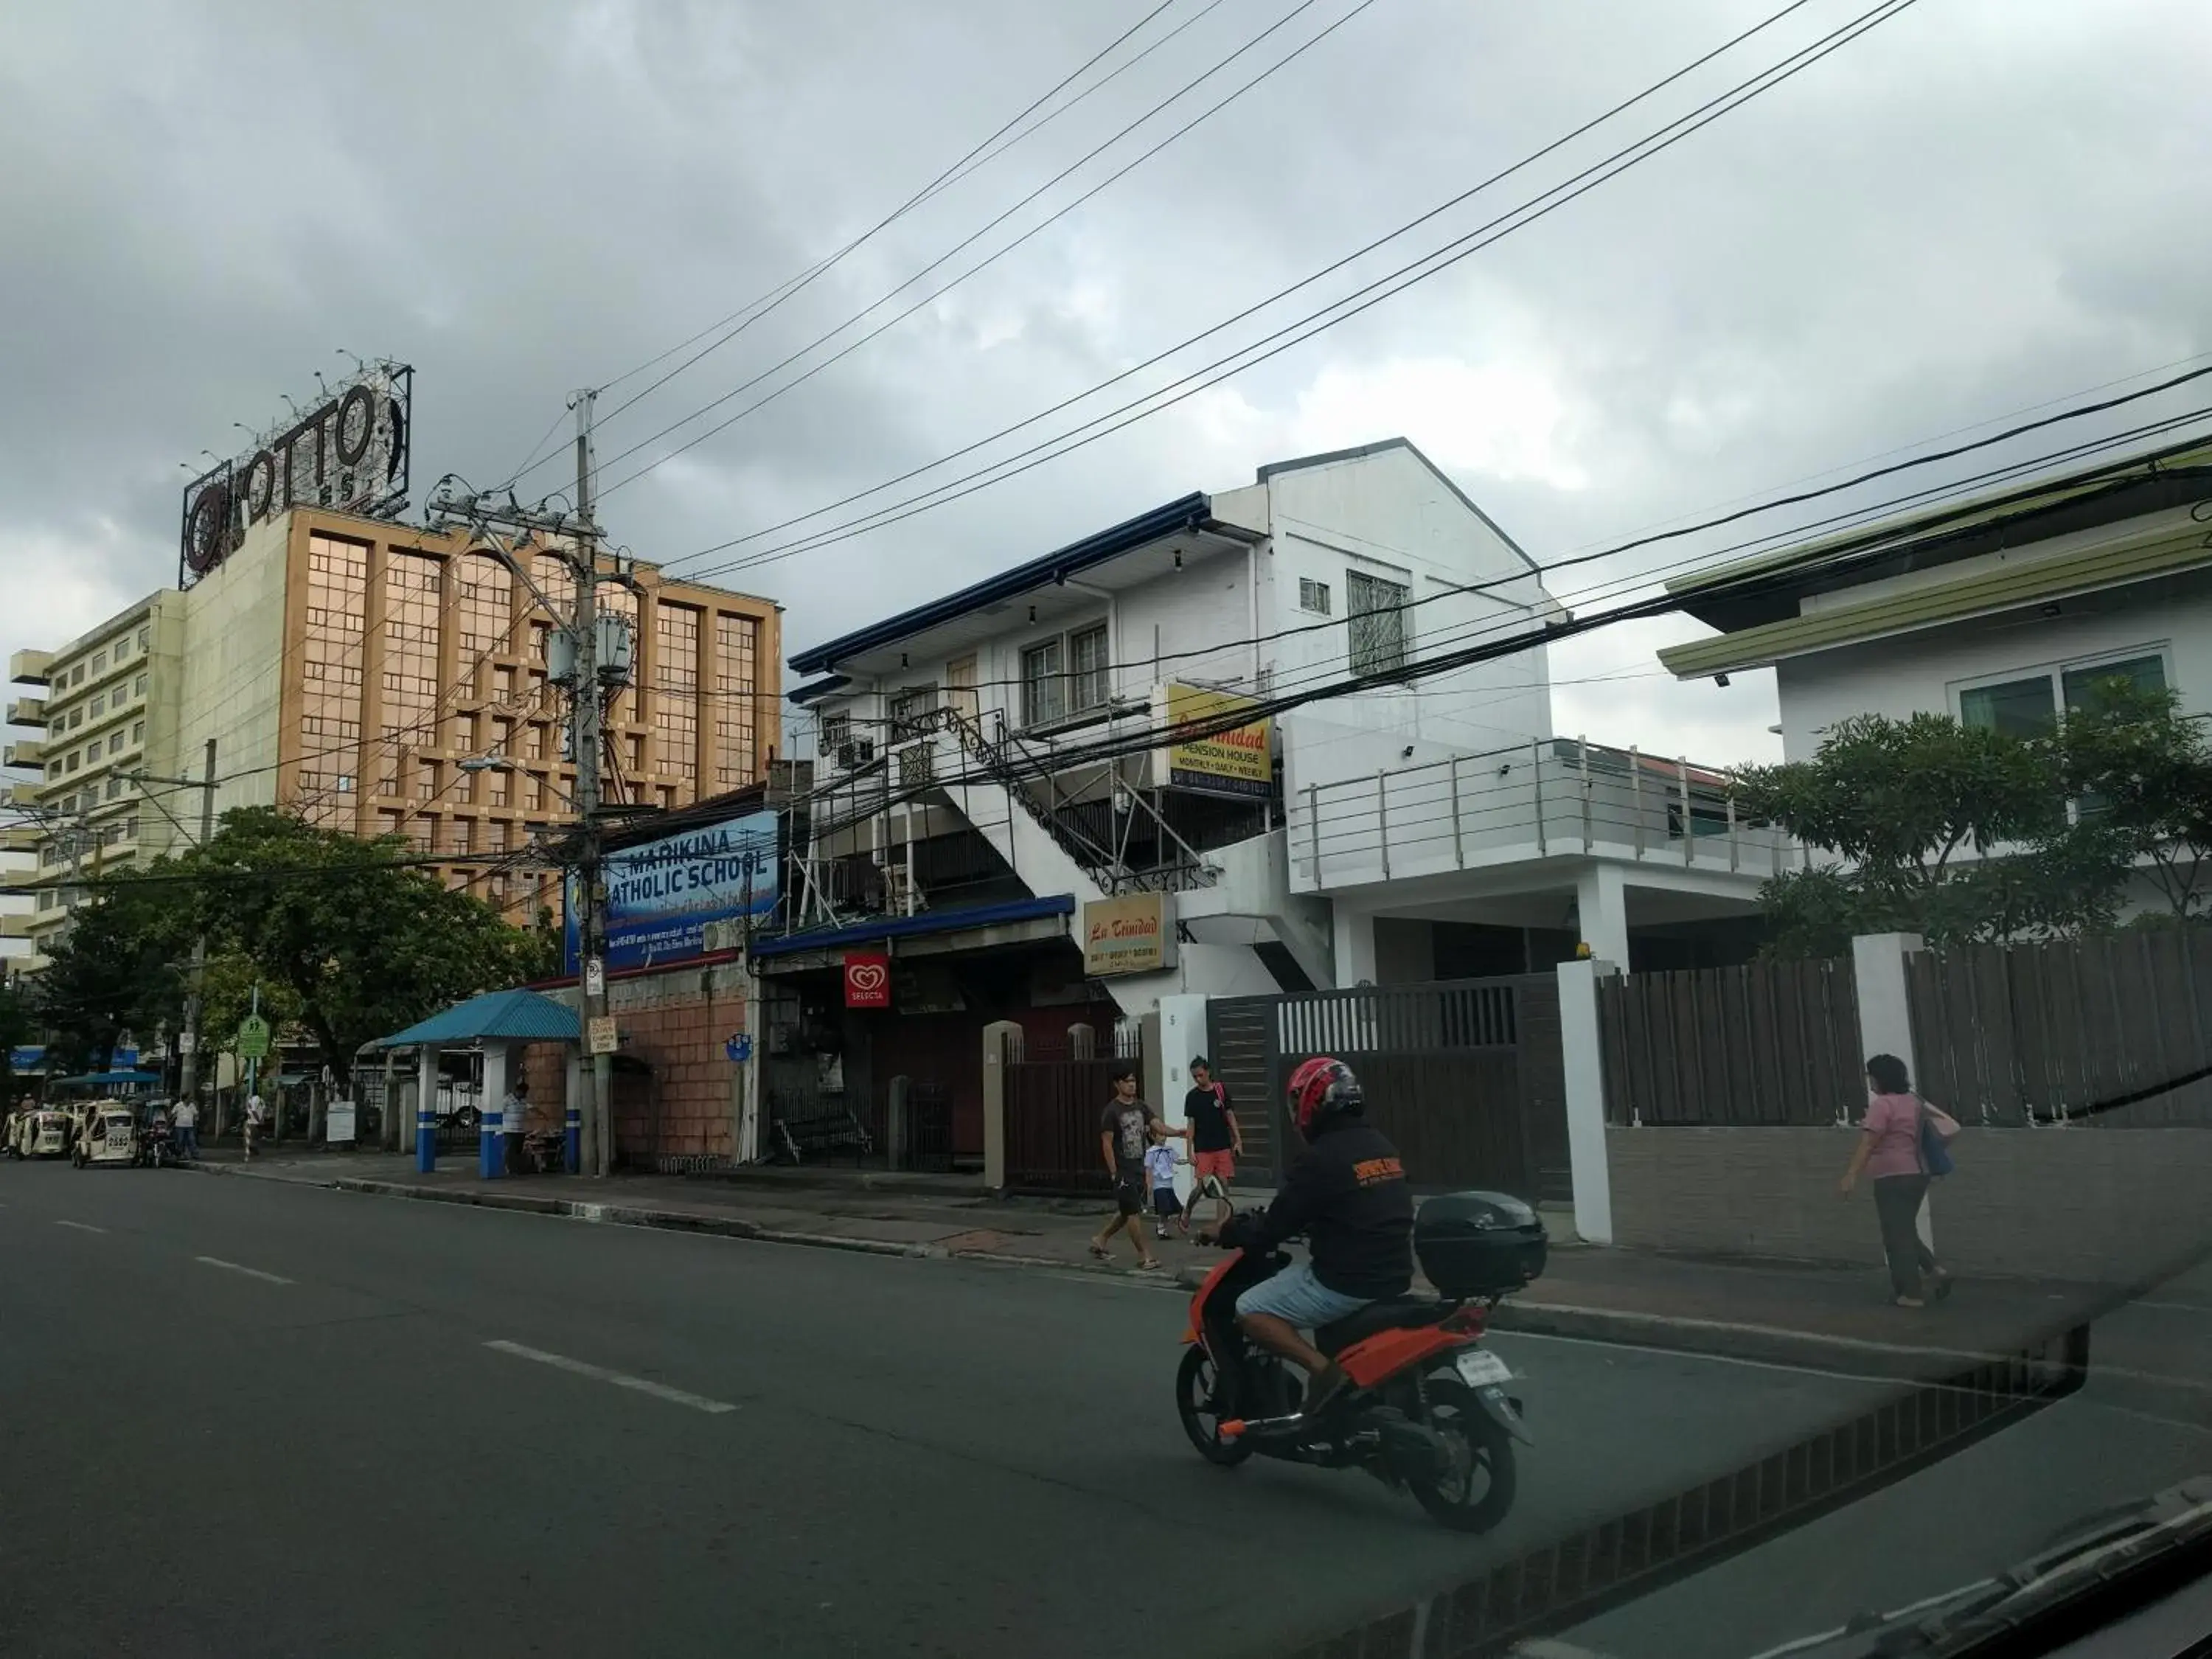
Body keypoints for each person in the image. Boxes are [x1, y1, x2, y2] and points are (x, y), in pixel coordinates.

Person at [1219, 1056, 1413, 1419]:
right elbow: (1360, 1204)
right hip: (1394, 1276)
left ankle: (1324, 1373)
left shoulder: (1321, 1159)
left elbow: (1274, 1227)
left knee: (1250, 1308)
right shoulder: (1381, 1145)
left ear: (1313, 1103)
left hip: (1345, 1282)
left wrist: (1230, 1230)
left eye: (1297, 1104)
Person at [1840, 1053, 1958, 1307]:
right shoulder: (1914, 1102)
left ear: (1880, 1078)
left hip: (1891, 1177)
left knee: (1896, 1236)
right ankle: (1936, 1271)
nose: (1869, 1082)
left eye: (1871, 1076)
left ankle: (1911, 1294)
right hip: (1917, 1174)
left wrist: (1851, 1174)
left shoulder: (1883, 1105)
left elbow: (1868, 1143)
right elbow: (1947, 1126)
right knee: (1903, 1229)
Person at [1088, 1064, 1183, 1270]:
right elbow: (1107, 1143)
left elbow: (1157, 1124)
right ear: (1117, 1084)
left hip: (1139, 1166)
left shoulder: (1141, 1106)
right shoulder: (1111, 1111)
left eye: (1134, 1081)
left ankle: (1101, 1239)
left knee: (1126, 1211)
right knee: (1133, 1213)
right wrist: (1114, 1171)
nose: (1132, 1085)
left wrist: (1177, 1133)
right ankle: (1144, 1256)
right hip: (1124, 1170)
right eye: (1127, 1082)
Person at [1180, 1057, 1242, 1237]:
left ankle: (1220, 1226)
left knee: (1223, 1184)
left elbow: (1230, 1116)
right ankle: (1187, 1210)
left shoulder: (1220, 1091)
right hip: (1203, 1147)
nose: (1198, 1079)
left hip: (1222, 1145)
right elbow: (1191, 1125)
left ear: (1208, 1072)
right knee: (1202, 1186)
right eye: (1194, 1077)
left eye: (1200, 1075)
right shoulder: (1192, 1097)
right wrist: (1189, 1150)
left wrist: (1238, 1139)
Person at [1145, 1137, 1181, 1240]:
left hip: (1168, 1183)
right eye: (1159, 1135)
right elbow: (1149, 1168)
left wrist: (1189, 1161)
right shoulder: (1151, 1152)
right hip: (1159, 1184)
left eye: (1164, 1135)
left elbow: (1177, 1160)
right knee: (1164, 1208)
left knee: (1172, 1209)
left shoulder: (1169, 1149)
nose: (1163, 1138)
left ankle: (1163, 1228)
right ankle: (1161, 1229)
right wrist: (1149, 1184)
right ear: (1153, 1136)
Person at [171, 1095, 198, 1162]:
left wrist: (196, 1122)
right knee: (180, 1141)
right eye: (189, 1098)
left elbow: (196, 1114)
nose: (190, 1100)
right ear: (185, 1099)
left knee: (191, 1140)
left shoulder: (192, 1106)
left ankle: (194, 1154)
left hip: (190, 1126)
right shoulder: (178, 1105)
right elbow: (173, 1114)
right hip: (180, 1126)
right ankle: (180, 1154)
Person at [244, 1090, 266, 1161]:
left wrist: (260, 1119)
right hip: (254, 1121)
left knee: (253, 1137)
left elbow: (255, 1111)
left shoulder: (256, 1100)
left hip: (254, 1121)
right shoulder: (257, 1100)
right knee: (253, 1137)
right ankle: (252, 1150)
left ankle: (252, 1150)